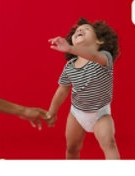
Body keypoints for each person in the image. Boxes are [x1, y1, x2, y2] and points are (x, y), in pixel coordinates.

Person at [47, 18, 120, 159]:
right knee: (72, 148)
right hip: (77, 113)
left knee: (109, 144)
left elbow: (93, 55)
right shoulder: (70, 66)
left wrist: (70, 49)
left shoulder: (104, 58)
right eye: (77, 31)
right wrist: (52, 112)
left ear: (99, 41)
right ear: (72, 41)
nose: (80, 30)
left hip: (100, 114)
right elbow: (62, 91)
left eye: (87, 29)